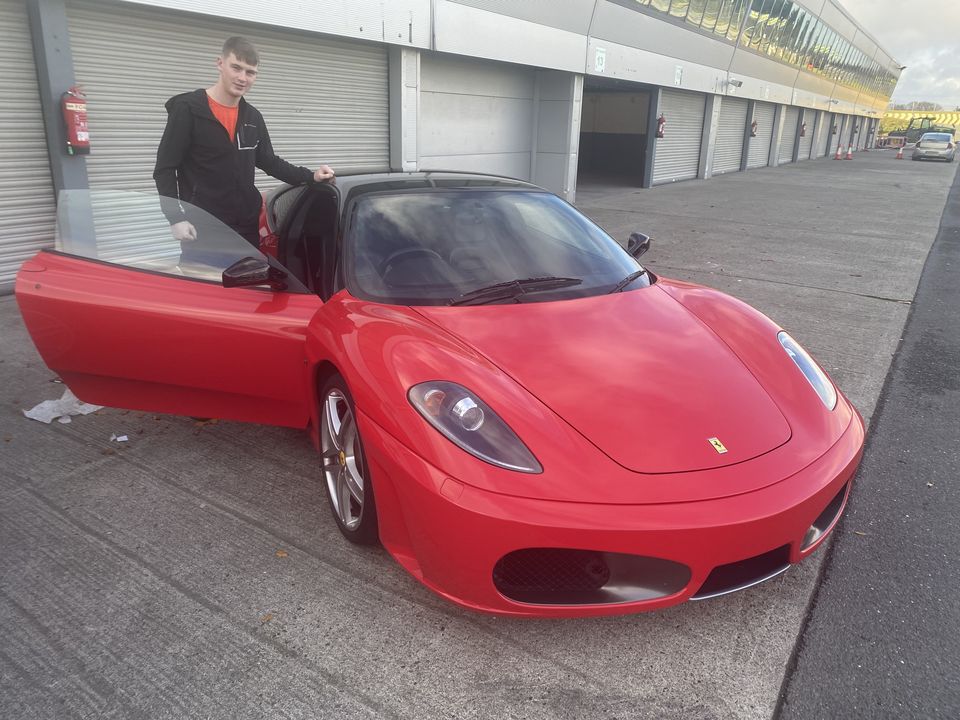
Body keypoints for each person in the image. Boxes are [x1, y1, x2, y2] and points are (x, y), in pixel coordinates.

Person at [153, 36, 334, 256]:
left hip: (245, 227)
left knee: (247, 287)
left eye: (250, 72)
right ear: (220, 63)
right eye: (236, 68)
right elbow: (165, 168)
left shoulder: (252, 117)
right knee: (205, 288)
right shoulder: (188, 109)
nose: (242, 78)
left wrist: (310, 175)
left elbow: (269, 161)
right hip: (203, 226)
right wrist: (176, 218)